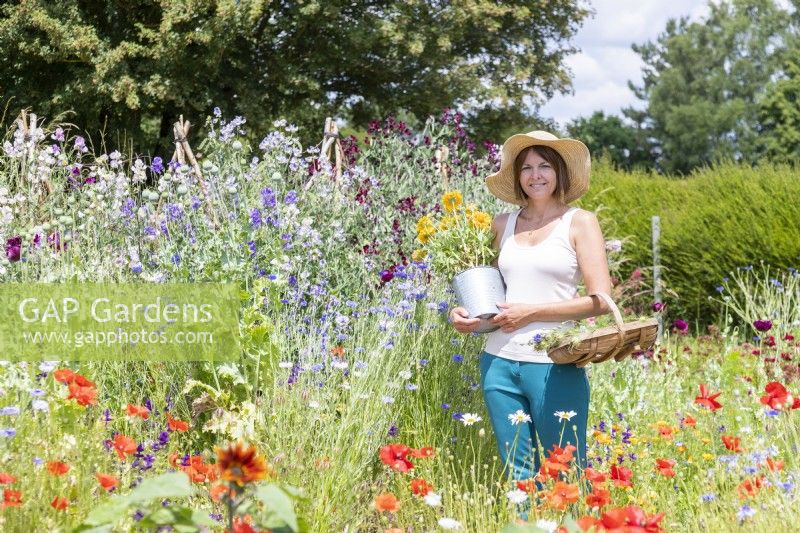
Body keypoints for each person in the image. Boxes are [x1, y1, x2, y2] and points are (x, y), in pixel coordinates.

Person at [449, 130, 613, 485]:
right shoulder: (500, 225)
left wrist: (532, 312)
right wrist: (463, 316)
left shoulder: (579, 222)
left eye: (544, 166)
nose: (535, 175)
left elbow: (601, 300)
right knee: (518, 476)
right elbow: (485, 296)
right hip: (498, 364)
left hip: (554, 363)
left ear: (559, 173)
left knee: (566, 473)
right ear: (517, 177)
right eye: (526, 168)